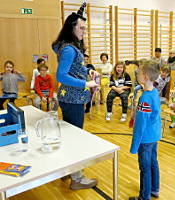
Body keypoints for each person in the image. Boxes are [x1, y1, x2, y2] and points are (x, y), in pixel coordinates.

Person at [51, 2, 99, 190]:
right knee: (75, 137)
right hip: (73, 98)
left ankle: (67, 171)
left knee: (70, 135)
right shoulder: (70, 49)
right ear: (72, 28)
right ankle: (77, 177)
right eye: (81, 28)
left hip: (68, 97)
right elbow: (61, 76)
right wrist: (86, 83)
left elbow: (74, 68)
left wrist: (89, 72)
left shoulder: (66, 46)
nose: (83, 31)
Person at [129, 60, 161, 200]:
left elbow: (140, 125)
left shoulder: (145, 98)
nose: (137, 74)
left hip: (145, 138)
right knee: (153, 162)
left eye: (139, 72)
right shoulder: (154, 92)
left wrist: (134, 146)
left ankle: (144, 197)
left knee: (145, 168)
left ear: (146, 76)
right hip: (154, 135)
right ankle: (154, 189)